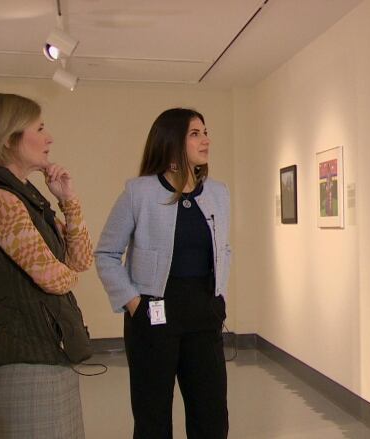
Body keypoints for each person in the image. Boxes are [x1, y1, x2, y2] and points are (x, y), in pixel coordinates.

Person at [0, 93, 93, 438]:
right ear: (8, 138)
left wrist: (68, 200)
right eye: (40, 128)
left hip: (46, 358)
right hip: (25, 367)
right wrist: (63, 270)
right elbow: (56, 279)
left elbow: (80, 260)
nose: (49, 138)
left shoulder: (24, 198)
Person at [95, 108, 231, 439]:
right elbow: (107, 254)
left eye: (206, 131)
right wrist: (133, 303)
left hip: (203, 314)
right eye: (195, 133)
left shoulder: (218, 193)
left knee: (212, 417)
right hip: (153, 317)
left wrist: (218, 298)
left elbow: (223, 249)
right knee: (153, 418)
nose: (206, 139)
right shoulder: (137, 192)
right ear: (171, 142)